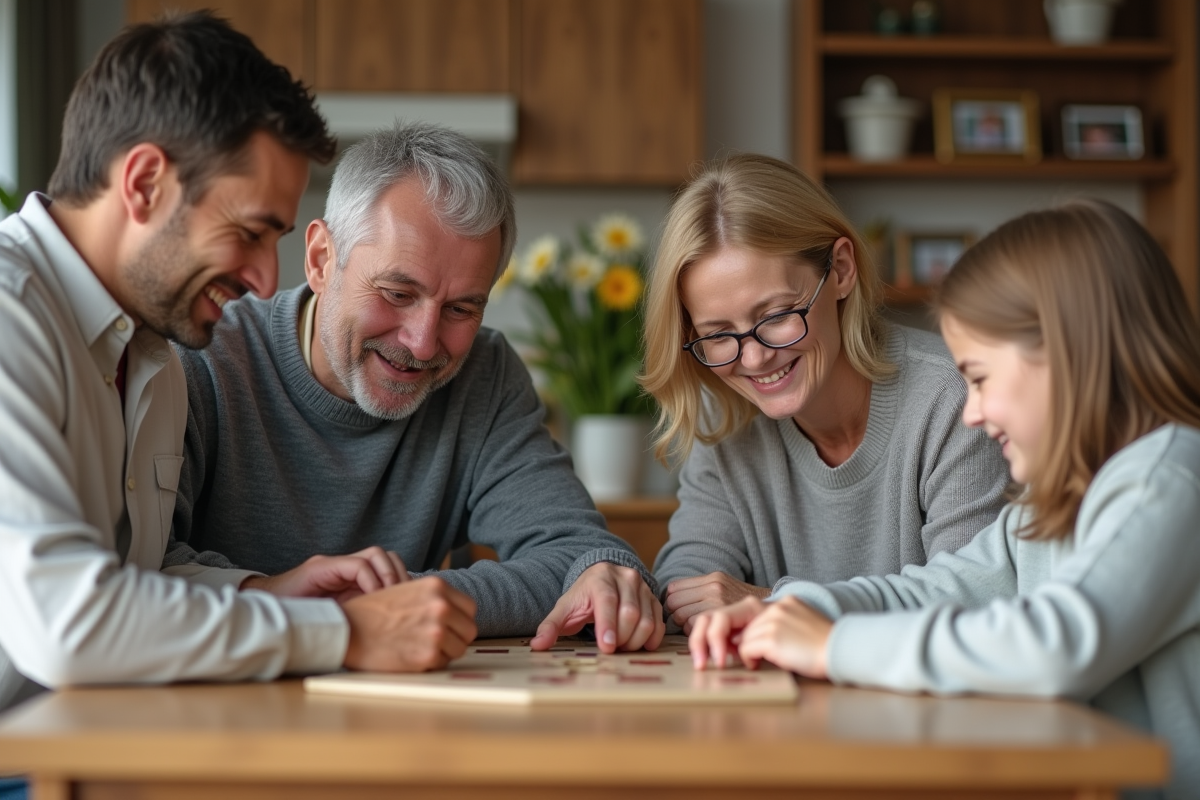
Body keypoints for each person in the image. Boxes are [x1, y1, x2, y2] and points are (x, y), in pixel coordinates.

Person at [0, 10, 484, 733]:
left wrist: (270, 591)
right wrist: (346, 636)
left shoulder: (153, 349)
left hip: (79, 749)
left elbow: (131, 582)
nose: (266, 280)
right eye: (249, 233)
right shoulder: (12, 317)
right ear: (144, 184)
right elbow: (65, 618)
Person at [690, 200, 1200, 800]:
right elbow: (935, 589)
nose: (972, 410)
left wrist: (833, 645)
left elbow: (1055, 644)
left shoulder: (1166, 477)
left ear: (1068, 354)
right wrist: (794, 608)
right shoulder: (1049, 506)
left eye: (980, 378)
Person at [162, 122, 665, 654]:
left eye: (461, 309)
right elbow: (139, 574)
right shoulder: (202, 358)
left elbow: (580, 558)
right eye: (398, 293)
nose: (424, 344)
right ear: (320, 260)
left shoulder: (484, 374)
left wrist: (399, 607)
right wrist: (332, 620)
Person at [640, 153, 1010, 632]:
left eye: (775, 317)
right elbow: (688, 590)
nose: (753, 360)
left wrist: (777, 604)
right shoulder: (726, 429)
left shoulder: (955, 401)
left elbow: (970, 608)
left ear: (839, 270)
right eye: (717, 334)